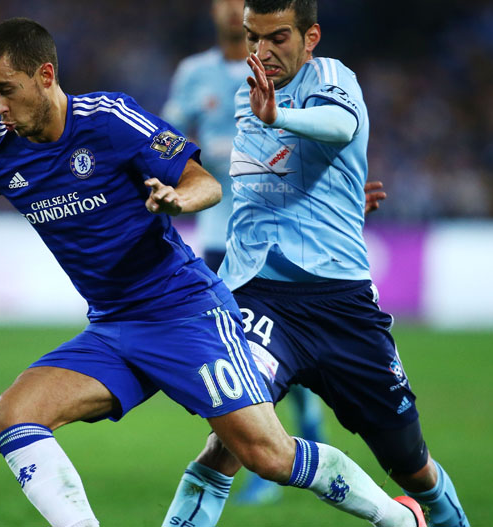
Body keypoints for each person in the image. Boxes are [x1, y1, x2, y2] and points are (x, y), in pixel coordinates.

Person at [0, 17, 425, 527]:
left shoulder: (108, 120)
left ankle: (399, 519)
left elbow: (206, 183)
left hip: (187, 314)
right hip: (113, 328)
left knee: (268, 456)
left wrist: (177, 199)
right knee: (11, 417)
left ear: (45, 75)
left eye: (6, 90)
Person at [160, 1, 469, 526]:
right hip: (260, 298)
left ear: (311, 37)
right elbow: (265, 183)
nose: (262, 52)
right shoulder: (245, 96)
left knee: (410, 464)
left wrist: (280, 120)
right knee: (232, 439)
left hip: (340, 304)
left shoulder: (331, 78)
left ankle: (439, 514)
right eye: (254, 37)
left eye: (277, 37)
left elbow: (339, 126)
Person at [162, 0, 328, 506]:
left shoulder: (287, 67)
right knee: (237, 350)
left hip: (278, 231)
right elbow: (163, 136)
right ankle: (269, 445)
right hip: (219, 233)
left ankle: (287, 435)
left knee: (275, 342)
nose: (232, 7)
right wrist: (192, 157)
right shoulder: (194, 73)